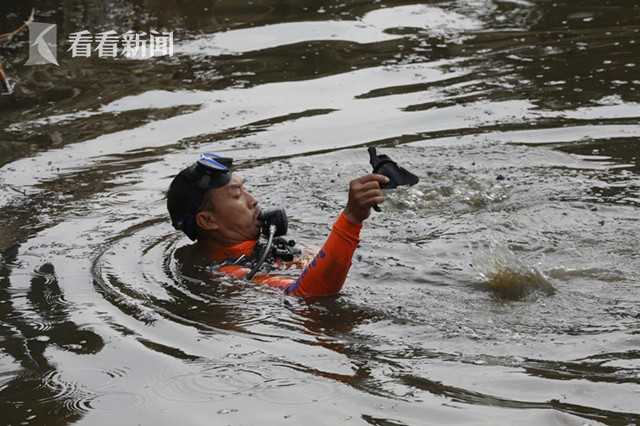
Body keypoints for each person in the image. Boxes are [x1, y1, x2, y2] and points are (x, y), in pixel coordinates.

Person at [167, 153, 388, 297]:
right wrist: (351, 218)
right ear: (208, 220)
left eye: (245, 189)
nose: (252, 200)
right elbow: (304, 294)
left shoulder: (264, 247)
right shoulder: (228, 274)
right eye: (236, 195)